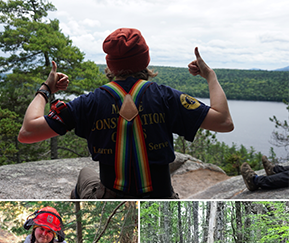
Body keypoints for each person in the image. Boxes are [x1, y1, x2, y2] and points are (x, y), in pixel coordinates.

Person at [18, 27, 234, 199]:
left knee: (86, 174)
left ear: (109, 64)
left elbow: (28, 133)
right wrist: (211, 76)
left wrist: (46, 89)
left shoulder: (89, 102)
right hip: (161, 196)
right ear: (146, 60)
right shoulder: (166, 97)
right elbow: (224, 122)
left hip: (111, 195)